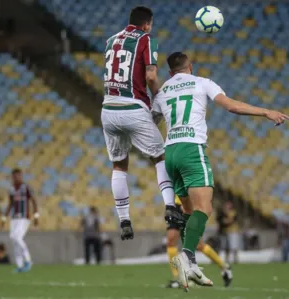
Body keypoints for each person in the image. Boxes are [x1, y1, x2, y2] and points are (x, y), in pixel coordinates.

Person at [152, 52, 289, 290]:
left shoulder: (163, 91)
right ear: (190, 67)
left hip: (170, 152)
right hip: (191, 149)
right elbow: (232, 106)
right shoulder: (202, 82)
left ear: (170, 72)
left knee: (188, 211)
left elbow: (150, 122)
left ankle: (189, 261)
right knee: (204, 208)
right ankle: (188, 259)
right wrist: (266, 111)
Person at [101, 6, 184, 240]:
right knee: (160, 156)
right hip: (132, 107)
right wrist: (159, 96)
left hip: (108, 109)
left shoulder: (110, 40)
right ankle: (170, 206)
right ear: (147, 24)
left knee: (119, 166)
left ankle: (124, 220)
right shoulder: (147, 39)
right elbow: (149, 76)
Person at [166, 196, 232, 289]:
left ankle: (224, 266)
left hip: (187, 204)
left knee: (198, 245)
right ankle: (178, 277)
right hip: (175, 205)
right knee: (171, 241)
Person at [1, 168, 39, 272]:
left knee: (17, 237)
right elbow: (10, 203)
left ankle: (28, 260)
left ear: (21, 176)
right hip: (14, 218)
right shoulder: (12, 189)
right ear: (12, 177)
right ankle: (20, 265)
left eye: (19, 175)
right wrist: (4, 217)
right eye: (15, 176)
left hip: (24, 217)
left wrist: (36, 216)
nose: (17, 178)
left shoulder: (26, 187)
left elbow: (34, 201)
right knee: (14, 240)